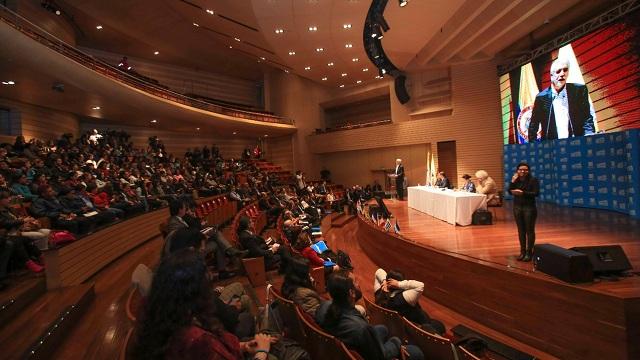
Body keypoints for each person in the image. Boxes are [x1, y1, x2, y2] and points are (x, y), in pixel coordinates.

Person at [133, 249, 275, 359]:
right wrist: (261, 353)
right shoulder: (197, 341)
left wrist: (242, 346)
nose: (212, 277)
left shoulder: (161, 316)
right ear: (195, 292)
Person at [316, 271, 424, 360]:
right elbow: (381, 356)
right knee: (416, 352)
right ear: (351, 293)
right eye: (356, 282)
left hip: (348, 343)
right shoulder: (361, 328)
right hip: (365, 350)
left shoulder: (323, 306)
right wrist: (396, 341)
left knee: (383, 329)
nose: (358, 283)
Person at [528, 58, 596, 142]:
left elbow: (587, 117)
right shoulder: (541, 98)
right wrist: (535, 147)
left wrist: (589, 136)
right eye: (558, 71)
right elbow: (533, 125)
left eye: (565, 70)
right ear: (551, 75)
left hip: (577, 143)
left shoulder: (579, 90)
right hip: (552, 147)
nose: (562, 74)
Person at [373, 268, 445, 335]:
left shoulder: (378, 291)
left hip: (395, 326)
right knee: (440, 326)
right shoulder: (404, 297)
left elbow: (379, 271)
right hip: (418, 325)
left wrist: (384, 281)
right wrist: (399, 284)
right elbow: (420, 286)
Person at [508, 162, 540, 262]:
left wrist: (523, 193)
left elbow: (536, 193)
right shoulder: (515, 179)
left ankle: (529, 252)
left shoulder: (533, 180)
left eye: (525, 169)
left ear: (528, 171)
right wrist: (512, 182)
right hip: (517, 207)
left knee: (529, 231)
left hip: (529, 208)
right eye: (521, 169)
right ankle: (522, 251)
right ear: (517, 170)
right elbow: (509, 191)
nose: (523, 171)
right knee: (521, 231)